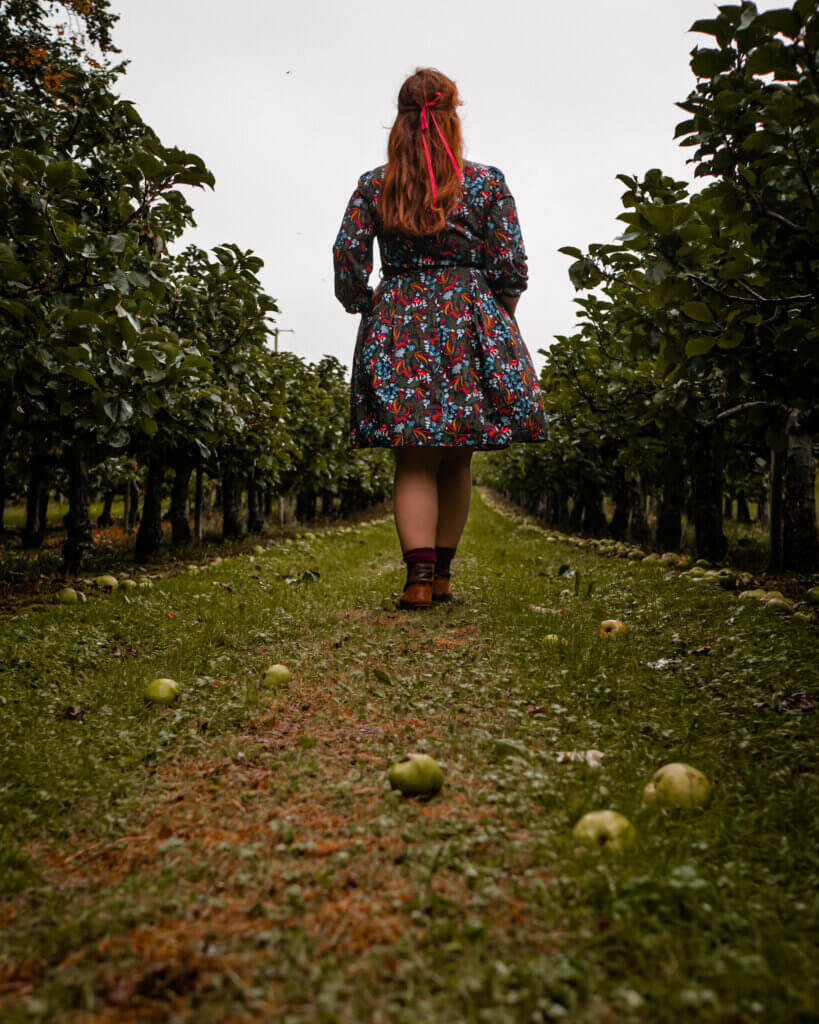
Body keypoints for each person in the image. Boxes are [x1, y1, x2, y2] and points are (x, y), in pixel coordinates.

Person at [332, 67, 549, 610]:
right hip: (467, 318)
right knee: (458, 457)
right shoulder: (485, 182)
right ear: (450, 115)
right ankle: (444, 576)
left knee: (413, 459)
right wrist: (495, 317)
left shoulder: (374, 184)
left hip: (399, 320)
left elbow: (347, 260)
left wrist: (367, 306)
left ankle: (418, 581)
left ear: (401, 118)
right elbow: (510, 265)